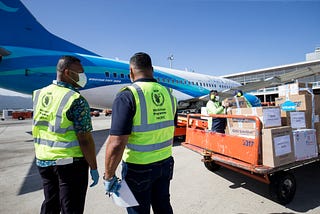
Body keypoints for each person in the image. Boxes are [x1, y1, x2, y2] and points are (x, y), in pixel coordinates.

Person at [103, 52, 177, 214]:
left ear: (131, 72)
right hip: (165, 163)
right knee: (163, 206)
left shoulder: (128, 95)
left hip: (139, 168)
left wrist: (108, 175)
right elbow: (171, 127)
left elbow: (116, 143)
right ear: (152, 69)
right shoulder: (169, 95)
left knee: (138, 210)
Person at [32, 55, 99, 214]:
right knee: (71, 208)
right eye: (81, 72)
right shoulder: (76, 99)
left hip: (43, 161)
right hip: (69, 164)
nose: (84, 76)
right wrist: (93, 166)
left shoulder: (39, 94)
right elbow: (85, 139)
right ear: (68, 72)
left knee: (50, 204)